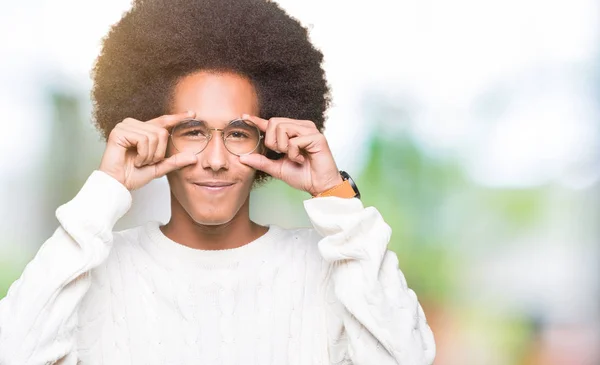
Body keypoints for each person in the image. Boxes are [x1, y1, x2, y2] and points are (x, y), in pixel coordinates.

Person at [0, 0, 436, 363]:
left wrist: (334, 197)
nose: (215, 160)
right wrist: (105, 189)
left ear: (267, 144)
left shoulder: (324, 268)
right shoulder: (97, 270)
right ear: (158, 138)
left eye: (237, 134)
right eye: (192, 131)